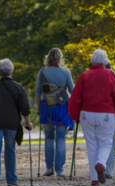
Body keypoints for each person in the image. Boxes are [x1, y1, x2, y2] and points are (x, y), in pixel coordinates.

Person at [68, 49, 115, 186]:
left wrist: (74, 115)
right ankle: (101, 163)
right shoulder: (111, 74)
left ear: (92, 61)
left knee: (92, 145)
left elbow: (75, 98)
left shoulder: (84, 76)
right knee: (105, 143)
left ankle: (94, 179)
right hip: (106, 113)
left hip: (87, 114)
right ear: (105, 61)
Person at [0, 58, 33, 186]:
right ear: (12, 72)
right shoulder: (19, 87)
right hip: (11, 124)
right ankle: (12, 180)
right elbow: (25, 107)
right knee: (10, 150)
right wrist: (28, 123)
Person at [35, 48, 74, 177]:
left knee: (49, 137)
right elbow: (73, 92)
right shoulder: (66, 72)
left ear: (48, 57)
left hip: (47, 107)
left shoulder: (42, 72)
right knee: (61, 138)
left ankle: (49, 167)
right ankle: (60, 170)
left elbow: (37, 93)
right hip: (62, 107)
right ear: (59, 58)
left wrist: (39, 109)